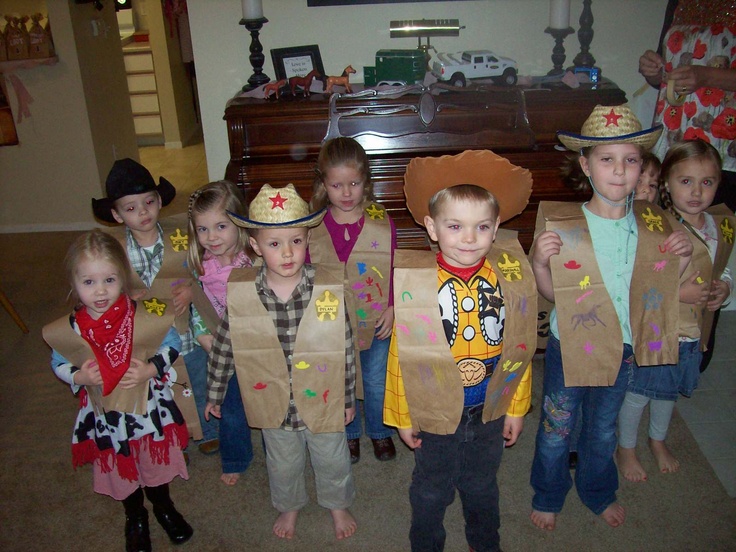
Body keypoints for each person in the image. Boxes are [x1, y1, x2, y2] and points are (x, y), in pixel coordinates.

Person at [529, 104, 694, 531]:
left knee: (602, 428)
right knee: (556, 426)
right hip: (572, 347)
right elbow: (552, 296)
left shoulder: (654, 224)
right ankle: (548, 493)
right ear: (585, 165)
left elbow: (667, 287)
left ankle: (597, 490)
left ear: (642, 168)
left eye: (631, 160)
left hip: (623, 346)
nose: (619, 171)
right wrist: (542, 266)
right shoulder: (565, 224)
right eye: (607, 159)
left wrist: (685, 253)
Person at [384, 150, 538, 552]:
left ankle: (485, 543)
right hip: (434, 409)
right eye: (455, 226)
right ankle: (427, 545)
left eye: (481, 227)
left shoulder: (510, 277)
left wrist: (517, 406)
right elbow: (400, 357)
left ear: (496, 227)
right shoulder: (417, 283)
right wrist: (402, 416)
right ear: (432, 228)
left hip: (489, 408)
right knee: (432, 489)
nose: (469, 238)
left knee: (482, 484)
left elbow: (520, 347)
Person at [205, 183, 358, 541]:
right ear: (255, 246)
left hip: (322, 397)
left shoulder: (326, 288)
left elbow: (344, 347)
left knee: (332, 457)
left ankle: (337, 502)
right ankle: (289, 505)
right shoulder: (242, 295)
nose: (288, 253)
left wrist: (347, 399)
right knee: (282, 462)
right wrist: (214, 393)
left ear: (308, 239)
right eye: (274, 244)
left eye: (297, 241)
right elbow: (225, 345)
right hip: (273, 401)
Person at [42, 230, 192, 551]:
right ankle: (135, 517)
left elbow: (172, 341)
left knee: (155, 463)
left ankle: (164, 506)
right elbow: (58, 360)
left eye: (109, 280)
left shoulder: (145, 311)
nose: (100, 291)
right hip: (106, 416)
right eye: (89, 282)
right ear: (74, 283)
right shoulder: (70, 328)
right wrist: (79, 376)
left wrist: (153, 368)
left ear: (123, 278)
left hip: (148, 408)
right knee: (123, 470)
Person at [617, 140, 734, 482]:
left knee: (668, 393)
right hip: (661, 328)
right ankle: (625, 447)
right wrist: (680, 291)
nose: (697, 192)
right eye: (686, 181)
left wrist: (724, 288)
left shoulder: (719, 225)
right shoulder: (656, 223)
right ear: (667, 183)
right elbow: (639, 278)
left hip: (695, 332)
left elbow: (722, 267)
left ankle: (657, 439)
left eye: (707, 182)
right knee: (640, 392)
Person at [92, 158, 214, 456]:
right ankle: (172, 432)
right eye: (130, 208)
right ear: (117, 215)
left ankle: (209, 430)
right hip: (146, 340)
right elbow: (100, 290)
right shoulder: (113, 251)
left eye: (148, 202)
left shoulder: (183, 236)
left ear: (160, 200)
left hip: (186, 331)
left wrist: (192, 289)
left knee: (199, 381)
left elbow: (207, 273)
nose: (142, 212)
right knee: (160, 391)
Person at [308, 137, 397, 464]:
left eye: (354, 184)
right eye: (337, 185)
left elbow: (392, 265)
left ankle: (378, 431)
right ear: (323, 185)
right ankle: (348, 434)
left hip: (374, 317)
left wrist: (393, 306)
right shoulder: (314, 225)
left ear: (367, 182)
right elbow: (306, 272)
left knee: (374, 378)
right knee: (338, 377)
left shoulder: (380, 221)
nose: (346, 193)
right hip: (332, 319)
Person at [187, 180, 254, 485]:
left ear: (238, 223)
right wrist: (203, 337)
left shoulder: (253, 260)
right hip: (220, 346)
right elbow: (198, 307)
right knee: (229, 406)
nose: (211, 237)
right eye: (203, 229)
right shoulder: (201, 267)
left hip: (255, 342)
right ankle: (236, 458)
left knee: (270, 396)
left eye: (220, 227)